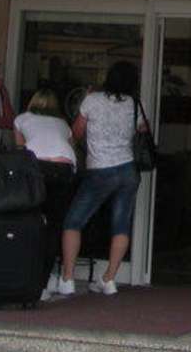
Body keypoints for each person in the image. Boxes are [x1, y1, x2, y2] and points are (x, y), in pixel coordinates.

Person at [54, 61, 148, 297]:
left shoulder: (92, 100)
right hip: (127, 170)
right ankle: (109, 279)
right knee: (121, 225)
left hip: (100, 170)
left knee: (73, 221)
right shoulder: (135, 104)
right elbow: (142, 130)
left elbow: (75, 133)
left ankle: (67, 278)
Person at [13, 88, 78, 302]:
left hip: (36, 168)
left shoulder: (21, 119)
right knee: (53, 226)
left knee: (29, 221)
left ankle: (26, 277)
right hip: (63, 168)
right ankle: (43, 284)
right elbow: (71, 147)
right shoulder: (63, 124)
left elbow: (20, 152)